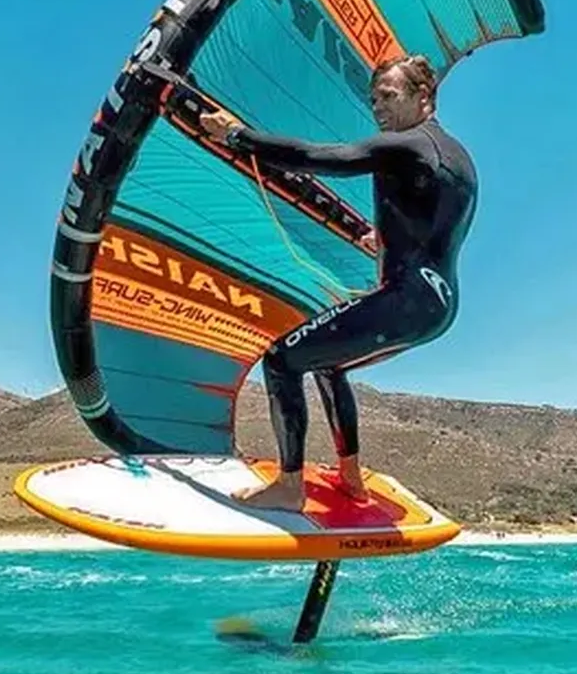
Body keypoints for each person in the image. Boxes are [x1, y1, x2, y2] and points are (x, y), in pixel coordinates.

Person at [199, 53, 478, 511]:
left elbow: (320, 158)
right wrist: (388, 235)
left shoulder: (408, 144)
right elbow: (440, 221)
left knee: (282, 360)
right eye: (373, 99)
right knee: (329, 363)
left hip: (408, 298)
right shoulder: (455, 156)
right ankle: (350, 478)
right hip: (439, 303)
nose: (378, 108)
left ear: (423, 96)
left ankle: (289, 489)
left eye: (388, 96)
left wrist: (236, 135)